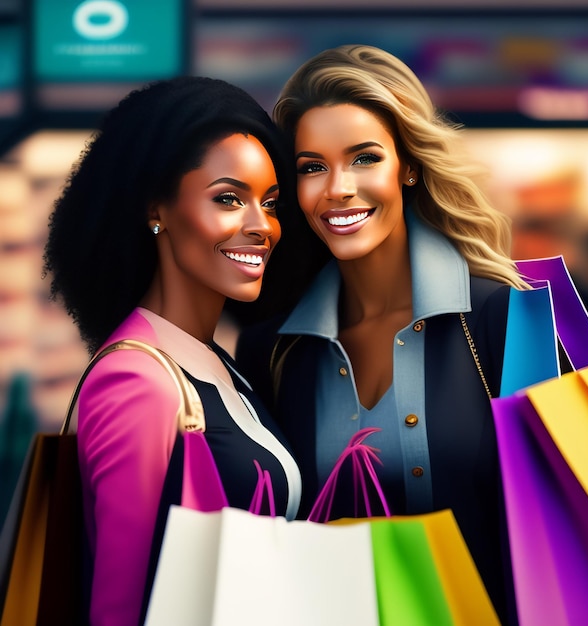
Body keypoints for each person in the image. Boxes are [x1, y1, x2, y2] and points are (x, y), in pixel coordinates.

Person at [236, 44, 554, 625]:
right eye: (312, 167)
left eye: (364, 159)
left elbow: (561, 528)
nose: (338, 188)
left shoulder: (509, 317)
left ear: (407, 164)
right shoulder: (274, 346)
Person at [43, 76, 302, 626]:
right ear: (156, 208)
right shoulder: (138, 381)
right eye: (229, 199)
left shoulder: (219, 363)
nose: (261, 226)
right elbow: (119, 603)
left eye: (271, 202)